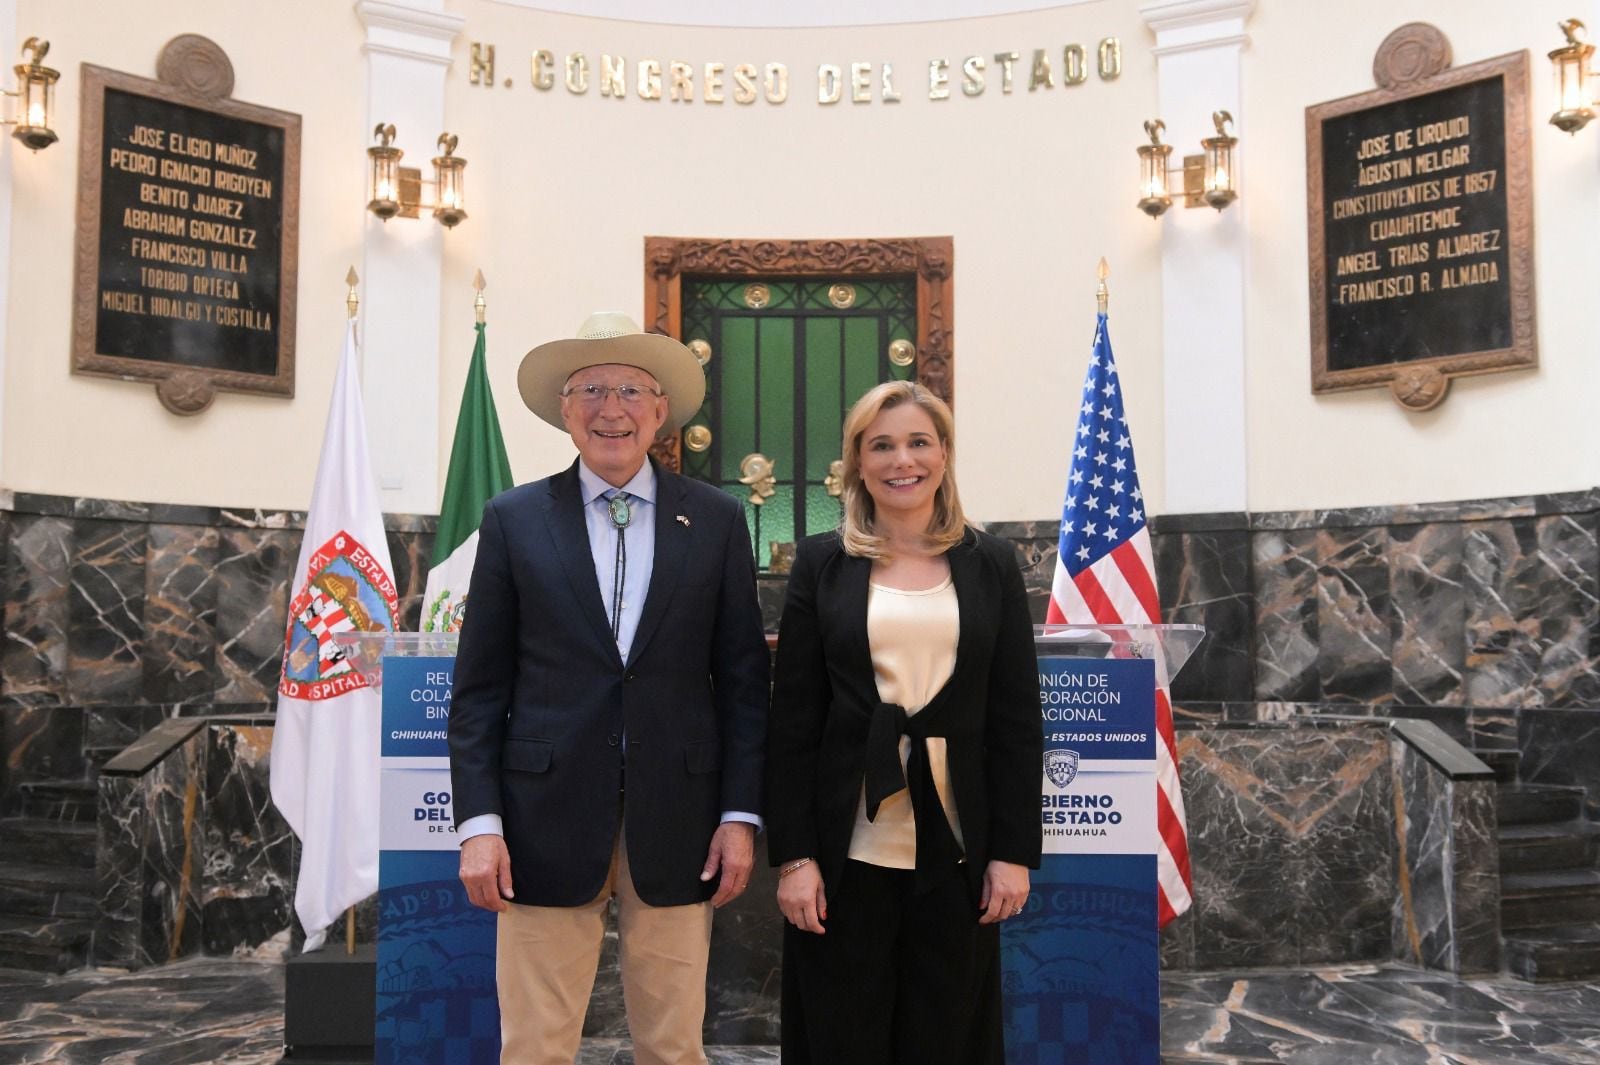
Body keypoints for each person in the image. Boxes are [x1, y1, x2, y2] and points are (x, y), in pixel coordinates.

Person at [447, 311, 770, 1065]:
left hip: (682, 824)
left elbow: (745, 684)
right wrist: (480, 824)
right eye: (590, 388)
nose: (610, 407)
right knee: (534, 1046)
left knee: (673, 1046)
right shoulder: (513, 518)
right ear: (564, 410)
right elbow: (479, 689)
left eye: (631, 389)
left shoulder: (717, 521)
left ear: (661, 411)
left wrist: (739, 814)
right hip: (538, 823)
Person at [766, 380, 1043, 1065]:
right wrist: (795, 857)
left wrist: (1012, 851)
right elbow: (793, 722)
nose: (902, 460)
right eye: (881, 444)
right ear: (857, 462)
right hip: (845, 850)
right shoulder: (821, 563)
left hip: (956, 846)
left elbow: (1015, 718)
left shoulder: (991, 563)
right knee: (841, 1034)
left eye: (919, 441)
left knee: (946, 1035)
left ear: (944, 454)